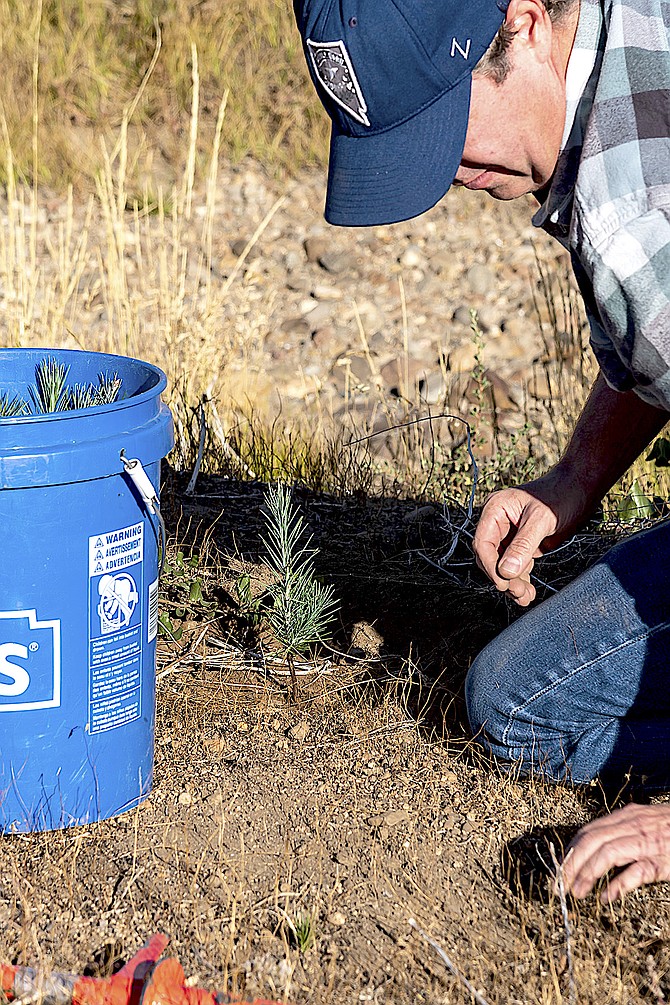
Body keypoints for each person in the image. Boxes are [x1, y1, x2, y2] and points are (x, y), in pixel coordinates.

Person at [293, 0, 670, 903]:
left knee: (521, 712)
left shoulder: (637, 225)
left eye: (447, 126)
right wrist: (579, 475)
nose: (453, 176)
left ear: (525, 22)